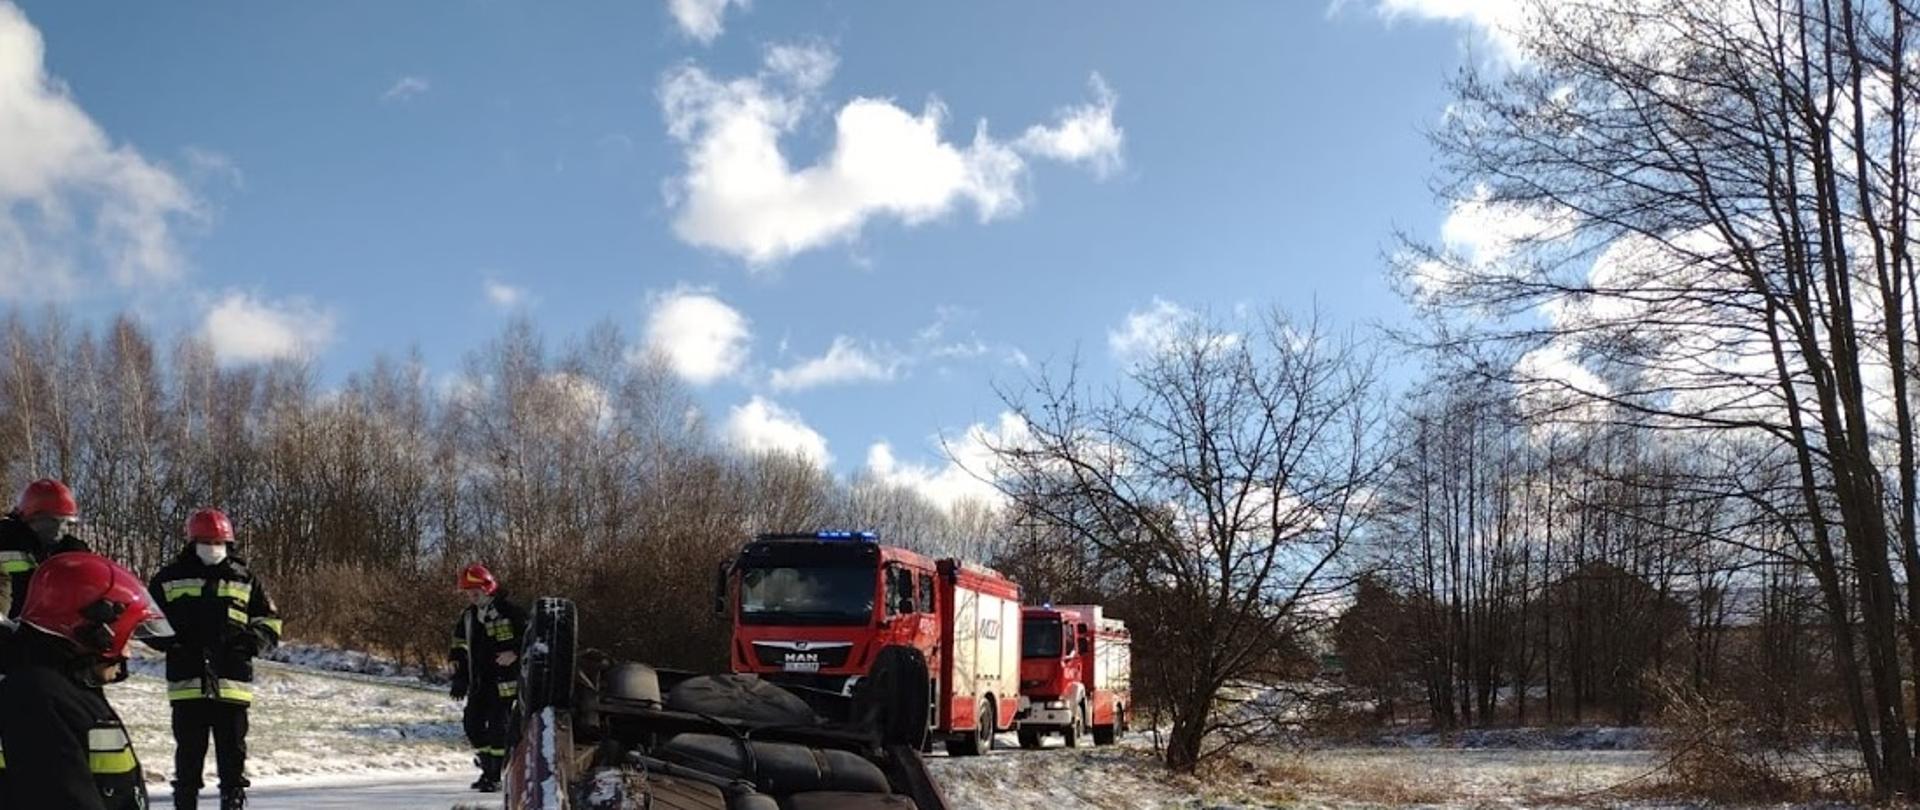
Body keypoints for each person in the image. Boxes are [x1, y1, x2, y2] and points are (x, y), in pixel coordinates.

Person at [0, 552, 174, 810]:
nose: (126, 653)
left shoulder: (68, 687)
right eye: (123, 637)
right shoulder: (38, 697)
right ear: (94, 631)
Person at [148, 509, 282, 810]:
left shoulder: (245, 579)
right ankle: (184, 803)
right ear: (193, 542)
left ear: (229, 543)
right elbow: (146, 620)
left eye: (219, 541)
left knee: (233, 756)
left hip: (232, 683)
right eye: (207, 541)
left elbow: (271, 622)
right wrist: (171, 644)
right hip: (188, 682)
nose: (213, 547)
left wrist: (252, 642)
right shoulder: (170, 578)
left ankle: (232, 803)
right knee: (188, 756)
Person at [448, 563, 526, 793]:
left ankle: (493, 775)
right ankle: (488, 766)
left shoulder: (511, 612)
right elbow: (459, 646)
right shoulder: (469, 616)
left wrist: (515, 653)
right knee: (472, 725)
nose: (471, 597)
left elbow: (531, 639)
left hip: (504, 683)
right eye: (468, 593)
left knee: (497, 729)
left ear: (487, 588)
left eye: (475, 592)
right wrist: (460, 676)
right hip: (479, 682)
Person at [0, 479, 90, 620]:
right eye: (51, 521)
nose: (59, 530)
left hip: (55, 633)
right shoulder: (6, 540)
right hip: (11, 630)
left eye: (66, 523)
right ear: (29, 518)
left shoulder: (73, 552)